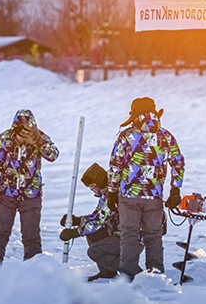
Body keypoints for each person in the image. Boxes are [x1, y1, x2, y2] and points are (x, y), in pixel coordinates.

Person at [107, 97, 184, 279]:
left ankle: (128, 275)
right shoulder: (166, 136)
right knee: (154, 236)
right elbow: (178, 163)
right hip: (154, 196)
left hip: (129, 196)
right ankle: (156, 274)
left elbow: (115, 165)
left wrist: (112, 191)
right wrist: (175, 189)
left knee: (130, 235)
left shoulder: (126, 136)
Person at [0, 109, 59, 266]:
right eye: (19, 127)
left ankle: (33, 274)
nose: (23, 131)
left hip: (31, 194)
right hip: (6, 193)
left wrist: (38, 140)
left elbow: (53, 155)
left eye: (27, 128)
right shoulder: (4, 138)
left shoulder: (41, 137)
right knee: (0, 232)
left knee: (31, 235)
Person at [58, 162, 121, 281]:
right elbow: (96, 216)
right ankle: (107, 272)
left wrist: (75, 232)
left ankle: (129, 269)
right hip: (114, 234)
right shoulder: (105, 194)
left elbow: (98, 222)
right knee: (92, 233)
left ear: (98, 182)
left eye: (91, 185)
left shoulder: (112, 195)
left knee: (94, 251)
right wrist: (77, 220)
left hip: (125, 238)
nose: (91, 189)